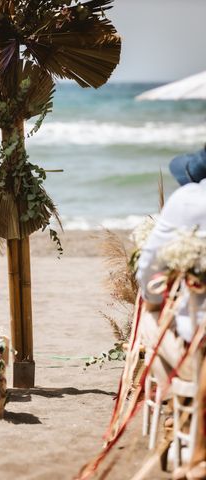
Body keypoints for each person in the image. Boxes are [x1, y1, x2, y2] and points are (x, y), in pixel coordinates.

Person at [137, 147, 206, 479]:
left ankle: (180, 409)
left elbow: (148, 271)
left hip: (198, 347)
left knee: (148, 321)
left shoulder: (189, 200)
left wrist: (154, 299)